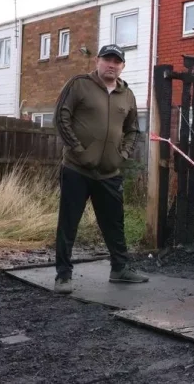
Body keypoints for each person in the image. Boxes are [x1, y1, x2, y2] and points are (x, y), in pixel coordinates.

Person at [53, 44, 148, 294]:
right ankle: (63, 275)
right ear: (97, 61)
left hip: (110, 172)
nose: (111, 65)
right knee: (69, 223)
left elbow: (133, 130)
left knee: (114, 223)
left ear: (122, 66)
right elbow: (61, 117)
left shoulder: (126, 95)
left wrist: (123, 155)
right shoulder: (79, 85)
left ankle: (120, 269)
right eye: (107, 59)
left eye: (117, 61)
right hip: (76, 169)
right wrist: (78, 150)